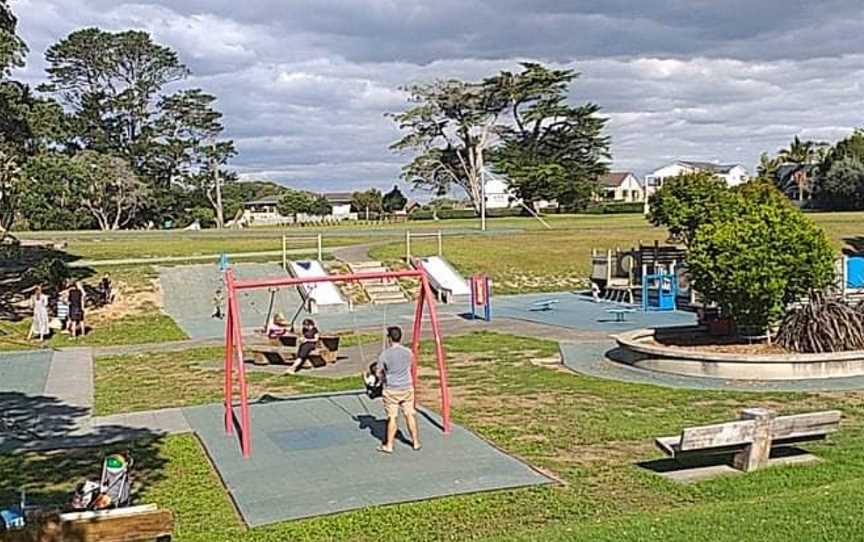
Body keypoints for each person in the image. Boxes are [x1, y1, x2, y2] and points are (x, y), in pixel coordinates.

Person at [375, 326, 421, 453]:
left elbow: (379, 372)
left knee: (392, 417)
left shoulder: (385, 354)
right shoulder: (408, 352)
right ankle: (416, 442)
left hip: (392, 389)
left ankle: (389, 445)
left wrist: (382, 378)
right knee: (409, 414)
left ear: (389, 338)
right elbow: (411, 365)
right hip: (406, 387)